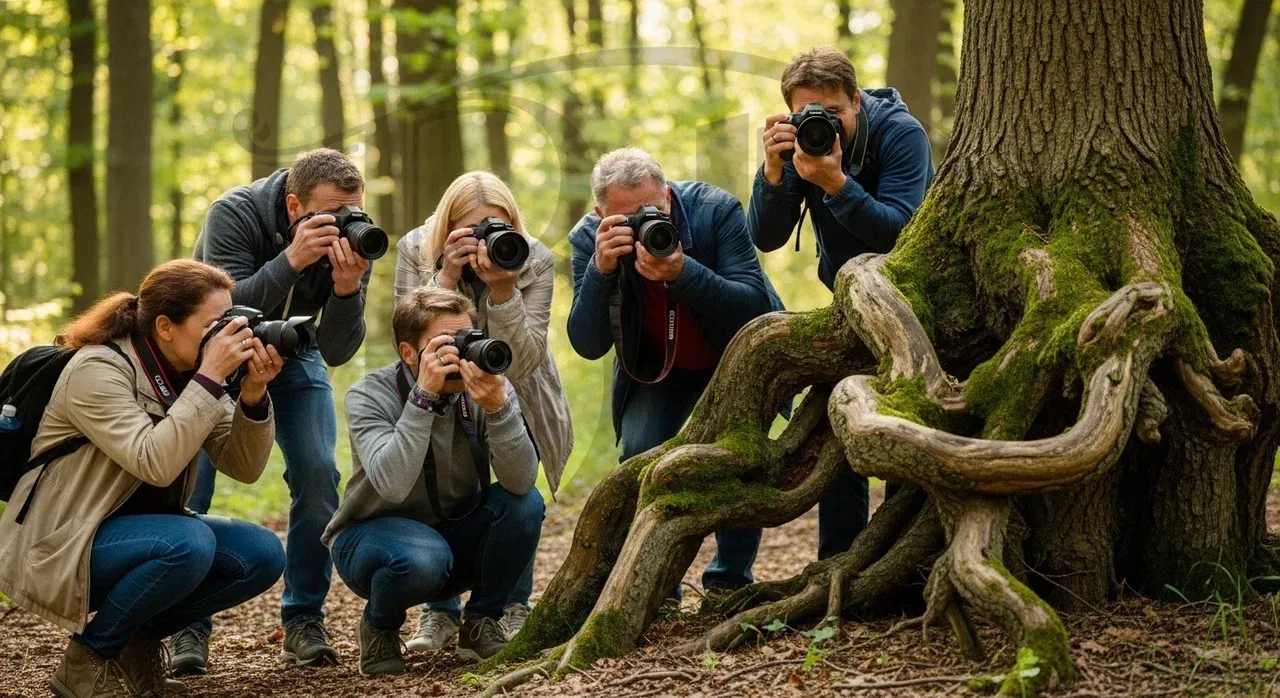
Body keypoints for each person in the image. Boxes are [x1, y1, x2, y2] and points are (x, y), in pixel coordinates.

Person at [0, 260, 286, 698]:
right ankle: (87, 661)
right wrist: (209, 379)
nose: (229, 335)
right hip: (64, 539)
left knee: (261, 552)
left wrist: (252, 395)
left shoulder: (190, 371)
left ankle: (135, 645)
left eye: (231, 319)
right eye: (215, 324)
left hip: (139, 534)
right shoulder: (98, 369)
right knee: (188, 544)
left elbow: (243, 467)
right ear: (166, 326)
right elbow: (154, 461)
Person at [176, 148, 374, 672]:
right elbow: (223, 310)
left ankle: (304, 618)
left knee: (318, 474)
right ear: (292, 206)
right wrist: (292, 261)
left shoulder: (357, 234)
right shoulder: (233, 214)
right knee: (190, 482)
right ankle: (184, 626)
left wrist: (348, 286)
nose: (345, 226)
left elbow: (336, 350)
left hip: (295, 354)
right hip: (214, 356)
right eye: (330, 216)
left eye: (353, 212)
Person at [566, 147, 783, 595]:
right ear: (599, 214)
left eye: (653, 209)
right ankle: (658, 587)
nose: (645, 223)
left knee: (738, 455)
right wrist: (601, 269)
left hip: (730, 354)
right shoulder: (589, 239)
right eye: (627, 218)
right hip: (656, 369)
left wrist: (683, 271)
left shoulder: (714, 210)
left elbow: (753, 307)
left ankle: (729, 584)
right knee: (642, 456)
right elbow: (587, 344)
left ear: (667, 195)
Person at [746, 46, 933, 566]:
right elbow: (765, 236)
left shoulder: (902, 135)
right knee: (836, 424)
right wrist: (774, 170)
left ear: (856, 100)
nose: (824, 125)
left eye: (834, 113)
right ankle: (839, 563)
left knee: (904, 425)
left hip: (921, 303)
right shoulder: (799, 145)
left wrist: (834, 182)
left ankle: (903, 566)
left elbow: (902, 233)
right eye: (811, 115)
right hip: (848, 305)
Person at [322, 287, 544, 675]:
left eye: (468, 339)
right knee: (425, 556)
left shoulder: (486, 387)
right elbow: (392, 484)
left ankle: (481, 622)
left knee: (525, 505)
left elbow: (522, 480)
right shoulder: (369, 395)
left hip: (451, 534)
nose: (463, 353)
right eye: (447, 344)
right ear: (410, 354)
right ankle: (379, 626)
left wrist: (499, 408)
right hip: (372, 542)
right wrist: (423, 396)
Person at [394, 171, 569, 649]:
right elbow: (405, 337)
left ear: (513, 220)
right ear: (448, 226)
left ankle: (510, 608)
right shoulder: (415, 248)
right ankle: (441, 611)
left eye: (497, 225)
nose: (487, 239)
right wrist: (445, 277)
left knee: (518, 492)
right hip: (442, 390)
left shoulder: (532, 258)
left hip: (520, 389)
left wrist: (503, 290)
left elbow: (527, 357)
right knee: (447, 489)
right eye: (473, 228)